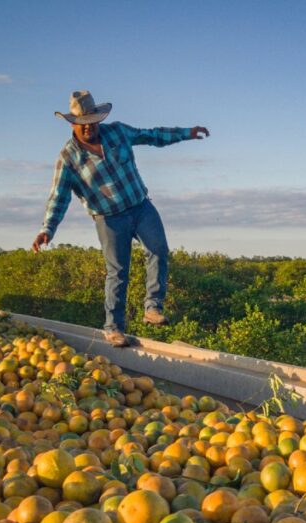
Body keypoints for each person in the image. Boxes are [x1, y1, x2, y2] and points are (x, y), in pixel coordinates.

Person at [32, 90, 209, 347]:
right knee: (118, 272)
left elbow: (151, 135)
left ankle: (152, 308)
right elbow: (59, 197)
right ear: (73, 124)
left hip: (140, 206)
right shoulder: (68, 158)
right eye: (83, 124)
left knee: (158, 249)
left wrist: (186, 133)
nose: (89, 128)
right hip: (109, 219)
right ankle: (113, 327)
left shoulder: (117, 132)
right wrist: (47, 228)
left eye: (93, 122)